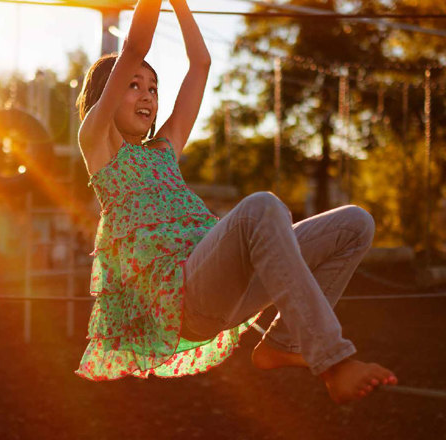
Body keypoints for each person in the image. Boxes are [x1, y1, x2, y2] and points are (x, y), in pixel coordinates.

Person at [73, 0, 397, 404]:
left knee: (355, 224)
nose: (148, 96)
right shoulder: (98, 142)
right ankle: (333, 361)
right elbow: (136, 46)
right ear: (105, 96)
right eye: (133, 85)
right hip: (185, 297)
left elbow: (201, 64)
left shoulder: (165, 148)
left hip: (226, 283)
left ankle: (284, 344)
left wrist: (180, 4)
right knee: (261, 207)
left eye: (153, 87)